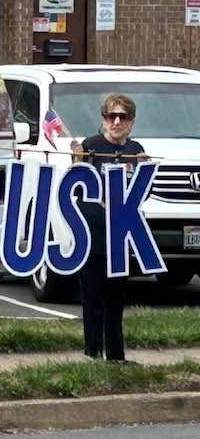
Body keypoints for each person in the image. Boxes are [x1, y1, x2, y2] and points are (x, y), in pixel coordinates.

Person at [70, 93, 144, 364]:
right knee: (92, 299)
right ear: (103, 119)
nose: (116, 122)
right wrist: (77, 160)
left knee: (115, 300)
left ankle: (116, 356)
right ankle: (92, 353)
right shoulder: (90, 146)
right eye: (111, 116)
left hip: (120, 237)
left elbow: (141, 191)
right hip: (91, 235)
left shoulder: (136, 151)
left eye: (122, 117)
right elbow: (76, 188)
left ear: (131, 122)